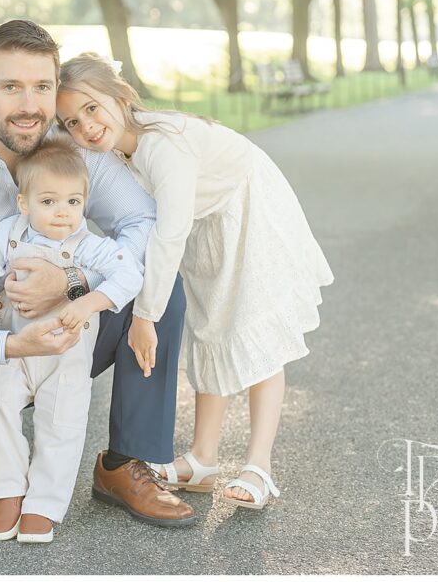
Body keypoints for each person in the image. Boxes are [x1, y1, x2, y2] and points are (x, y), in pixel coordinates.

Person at [0, 19, 197, 528]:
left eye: (42, 87)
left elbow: (141, 221)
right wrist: (4, 346)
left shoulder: (70, 150)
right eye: (11, 87)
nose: (29, 105)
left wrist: (75, 283)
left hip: (58, 332)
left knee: (160, 286)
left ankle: (125, 462)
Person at [56, 52, 334, 510]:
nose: (84, 127)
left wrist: (144, 315)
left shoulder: (164, 145)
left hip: (246, 205)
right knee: (210, 327)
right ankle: (204, 458)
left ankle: (258, 465)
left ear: (121, 96)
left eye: (91, 108)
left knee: (253, 325)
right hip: (206, 221)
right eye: (70, 122)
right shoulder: (116, 152)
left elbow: (167, 235)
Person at [0, 139, 142, 542]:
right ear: (24, 203)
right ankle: (8, 490)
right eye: (50, 201)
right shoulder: (9, 234)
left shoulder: (90, 246)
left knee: (62, 422)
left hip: (67, 353)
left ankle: (44, 503)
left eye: (74, 202)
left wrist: (90, 300)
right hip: (16, 346)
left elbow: (131, 274)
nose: (63, 212)